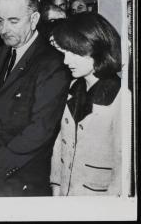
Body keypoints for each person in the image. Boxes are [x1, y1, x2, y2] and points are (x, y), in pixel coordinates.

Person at [0, 0, 71, 197]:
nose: (4, 29)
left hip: (20, 178)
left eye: (13, 21)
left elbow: (40, 130)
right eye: (0, 20)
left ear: (34, 19)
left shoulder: (52, 62)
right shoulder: (1, 52)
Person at [49, 13, 130, 196]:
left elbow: (123, 169)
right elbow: (59, 145)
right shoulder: (72, 87)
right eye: (64, 52)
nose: (66, 61)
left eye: (75, 53)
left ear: (98, 50)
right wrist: (56, 188)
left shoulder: (121, 96)